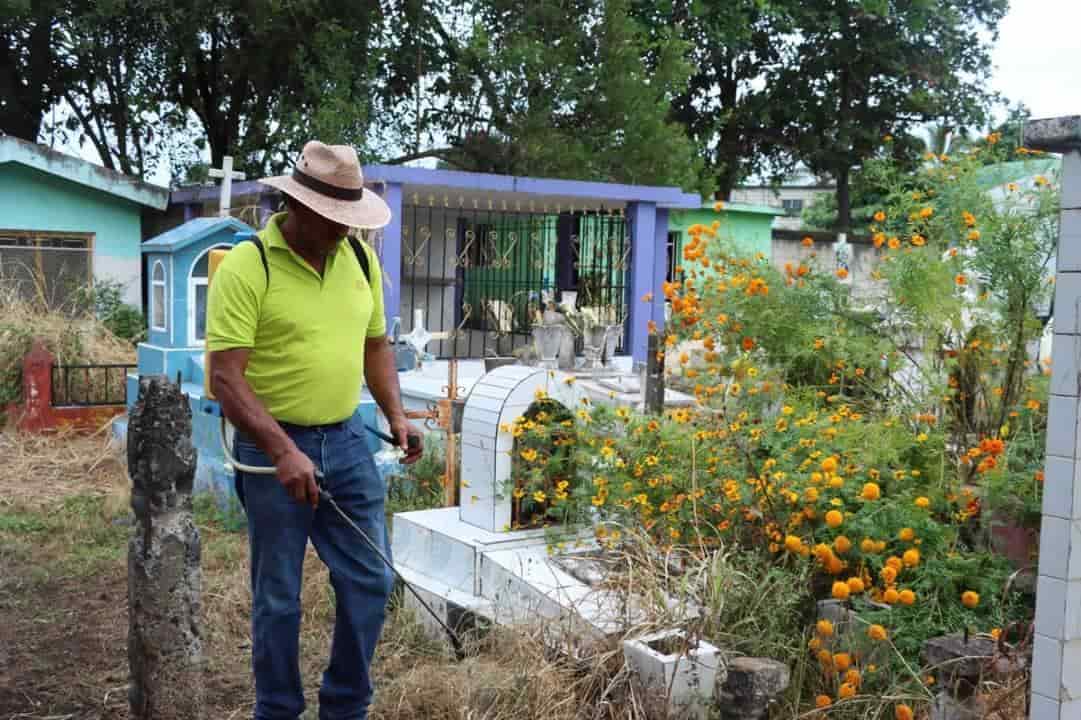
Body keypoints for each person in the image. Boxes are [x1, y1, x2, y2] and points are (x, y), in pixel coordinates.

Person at [206, 140, 422, 720]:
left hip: (348, 439)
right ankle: (277, 709)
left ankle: (345, 706)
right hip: (271, 446)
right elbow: (225, 379)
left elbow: (376, 346)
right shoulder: (251, 264)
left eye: (349, 222)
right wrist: (282, 449)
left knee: (371, 579)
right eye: (332, 221)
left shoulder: (359, 261)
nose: (341, 232)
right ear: (296, 205)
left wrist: (396, 415)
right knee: (278, 596)